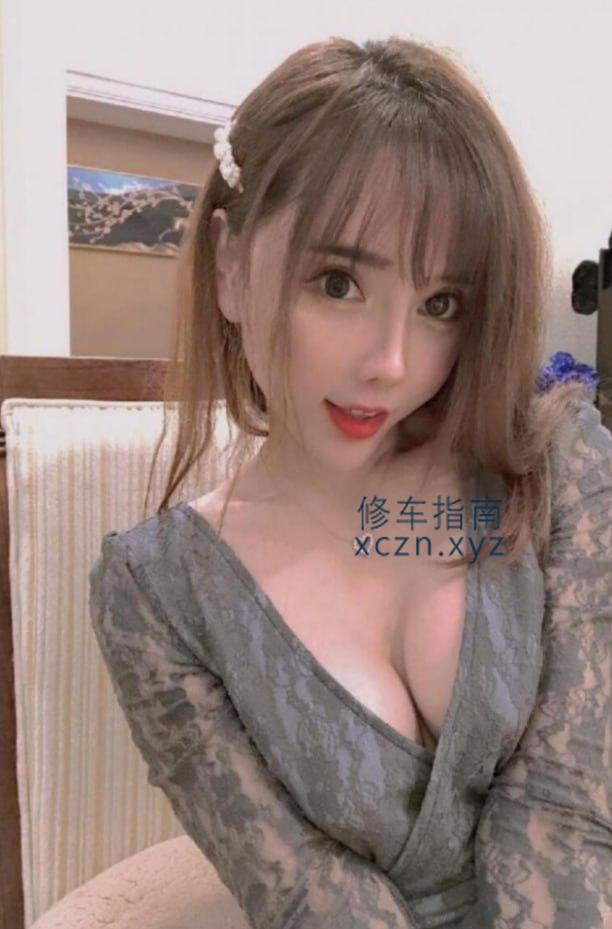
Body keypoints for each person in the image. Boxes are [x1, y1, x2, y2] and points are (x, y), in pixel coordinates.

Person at [88, 35, 612, 929]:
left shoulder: (558, 463)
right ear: (230, 266)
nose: (393, 363)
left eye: (441, 303)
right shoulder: (156, 596)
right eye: (338, 283)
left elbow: (571, 811)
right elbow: (302, 892)